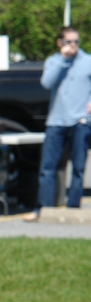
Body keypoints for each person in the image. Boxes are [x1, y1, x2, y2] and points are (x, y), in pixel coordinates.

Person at [25, 26, 91, 222]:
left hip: (80, 121)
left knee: (78, 168)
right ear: (60, 43)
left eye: (76, 41)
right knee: (48, 167)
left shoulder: (87, 61)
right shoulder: (53, 61)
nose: (73, 45)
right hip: (56, 121)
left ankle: (73, 209)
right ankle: (43, 209)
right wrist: (63, 59)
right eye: (69, 42)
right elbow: (47, 83)